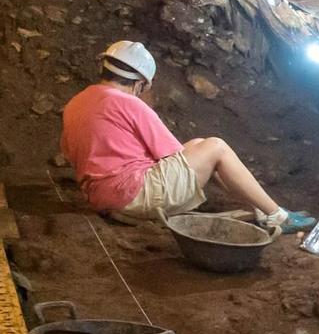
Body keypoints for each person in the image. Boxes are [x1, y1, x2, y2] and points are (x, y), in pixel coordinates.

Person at [60, 40, 300, 230]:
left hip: (100, 198)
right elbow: (171, 154)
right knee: (216, 147)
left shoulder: (76, 102)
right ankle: (278, 215)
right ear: (140, 83)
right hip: (133, 195)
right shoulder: (129, 104)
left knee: (198, 145)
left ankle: (260, 208)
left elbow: (71, 153)